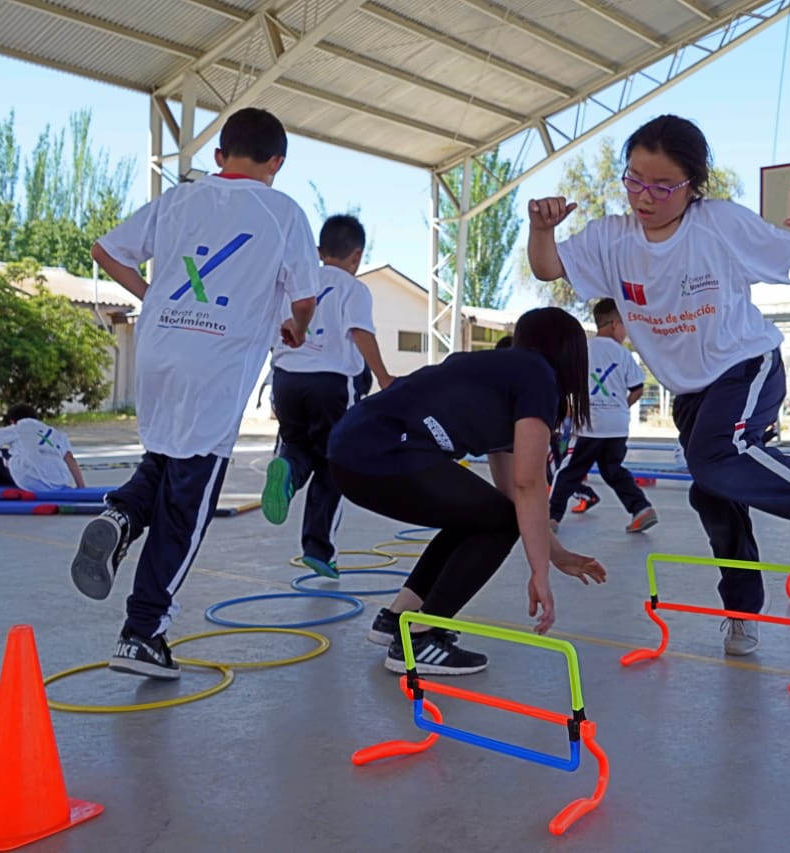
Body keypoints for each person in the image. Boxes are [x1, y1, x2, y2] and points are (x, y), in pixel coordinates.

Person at [528, 114, 790, 656]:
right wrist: (541, 227)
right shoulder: (612, 238)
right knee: (712, 490)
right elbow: (546, 267)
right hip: (691, 392)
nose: (644, 197)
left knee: (714, 457)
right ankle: (743, 610)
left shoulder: (716, 223)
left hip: (745, 365)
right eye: (634, 180)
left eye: (662, 186)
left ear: (692, 186)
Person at [70, 107, 319, 680]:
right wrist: (295, 328)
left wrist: (154, 294)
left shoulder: (179, 199)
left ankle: (122, 518)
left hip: (158, 353)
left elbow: (104, 251)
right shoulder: (283, 211)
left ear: (217, 156)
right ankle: (143, 632)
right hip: (216, 363)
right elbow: (304, 297)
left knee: (162, 460)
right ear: (276, 162)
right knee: (188, 501)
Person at [333, 308, 606, 675]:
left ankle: (398, 620)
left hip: (352, 448)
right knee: (496, 520)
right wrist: (539, 572)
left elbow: (511, 491)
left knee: (481, 515)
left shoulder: (500, 374)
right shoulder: (538, 376)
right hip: (384, 450)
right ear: (571, 353)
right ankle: (419, 640)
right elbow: (527, 486)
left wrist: (554, 554)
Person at [261, 214, 393, 579]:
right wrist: (383, 376)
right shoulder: (354, 289)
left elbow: (274, 333)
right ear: (357, 256)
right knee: (336, 461)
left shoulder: (296, 284)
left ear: (319, 252)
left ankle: (287, 471)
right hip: (331, 382)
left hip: (286, 379)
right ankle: (319, 550)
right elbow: (360, 332)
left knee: (298, 444)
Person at [548, 298, 656, 534]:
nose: (626, 332)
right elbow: (637, 388)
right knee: (613, 470)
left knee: (569, 470)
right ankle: (641, 508)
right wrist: (621, 406)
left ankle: (551, 516)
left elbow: (564, 384)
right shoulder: (623, 354)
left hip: (590, 423)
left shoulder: (582, 350)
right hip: (617, 425)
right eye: (625, 324)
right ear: (614, 323)